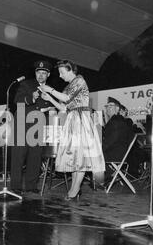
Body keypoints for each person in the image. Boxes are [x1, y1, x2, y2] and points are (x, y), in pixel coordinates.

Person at [40, 60, 105, 200]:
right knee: (76, 158)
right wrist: (50, 98)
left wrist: (50, 90)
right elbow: (63, 107)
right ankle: (74, 190)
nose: (60, 76)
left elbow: (67, 98)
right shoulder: (68, 87)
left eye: (62, 72)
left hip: (81, 119)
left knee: (81, 158)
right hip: (72, 120)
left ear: (71, 70)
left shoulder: (79, 81)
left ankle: (74, 191)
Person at [10, 60, 54, 195]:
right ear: (35, 73)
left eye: (44, 73)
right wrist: (31, 97)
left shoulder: (50, 89)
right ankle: (16, 185)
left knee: (35, 158)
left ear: (48, 75)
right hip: (22, 125)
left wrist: (50, 110)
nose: (40, 75)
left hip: (39, 126)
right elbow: (17, 101)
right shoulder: (26, 84)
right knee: (18, 157)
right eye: (38, 72)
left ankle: (31, 186)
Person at [102, 97, 135, 181]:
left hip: (116, 154)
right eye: (107, 106)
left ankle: (101, 180)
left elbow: (111, 141)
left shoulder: (116, 121)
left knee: (94, 155)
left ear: (117, 109)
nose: (108, 108)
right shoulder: (117, 120)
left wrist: (99, 149)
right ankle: (107, 177)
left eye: (111, 106)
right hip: (118, 152)